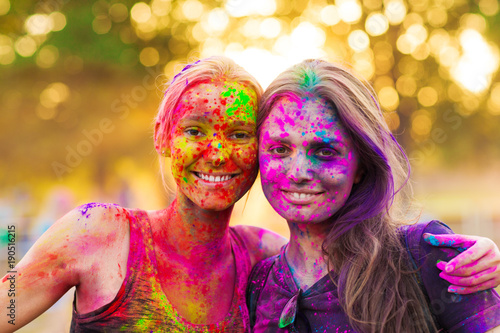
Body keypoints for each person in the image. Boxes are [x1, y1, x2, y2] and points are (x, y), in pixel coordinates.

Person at [0, 56, 498, 333]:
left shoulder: (260, 262)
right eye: (195, 129)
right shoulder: (99, 233)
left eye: (238, 134)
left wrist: (483, 257)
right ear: (160, 136)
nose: (216, 153)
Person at [247, 59, 500, 332]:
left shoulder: (423, 253)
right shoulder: (259, 283)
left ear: (362, 165)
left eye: (324, 151)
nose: (298, 172)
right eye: (279, 149)